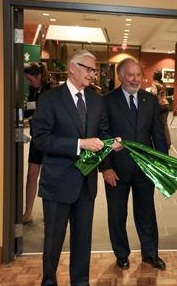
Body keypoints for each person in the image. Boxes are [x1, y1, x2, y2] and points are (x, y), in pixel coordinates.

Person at [31, 50, 123, 286]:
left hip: (85, 183)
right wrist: (80, 144)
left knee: (82, 240)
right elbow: (41, 139)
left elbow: (101, 135)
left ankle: (80, 282)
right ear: (72, 67)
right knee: (53, 240)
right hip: (57, 182)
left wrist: (111, 143)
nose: (93, 74)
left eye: (94, 70)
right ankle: (49, 281)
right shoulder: (50, 98)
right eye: (88, 68)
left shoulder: (96, 99)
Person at [100, 58, 168, 271]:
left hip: (145, 169)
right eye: (131, 75)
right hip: (116, 170)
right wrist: (106, 167)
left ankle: (150, 253)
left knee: (146, 212)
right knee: (117, 214)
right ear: (120, 76)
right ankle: (121, 254)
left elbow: (158, 135)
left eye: (138, 74)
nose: (135, 79)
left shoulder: (150, 99)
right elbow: (102, 136)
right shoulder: (107, 101)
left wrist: (161, 166)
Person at [22, 62, 54, 223]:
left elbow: (51, 116)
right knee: (31, 175)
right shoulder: (33, 90)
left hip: (49, 141)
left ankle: (51, 212)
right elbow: (30, 109)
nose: (29, 82)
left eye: (30, 79)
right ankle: (28, 211)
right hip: (36, 140)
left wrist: (33, 119)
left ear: (39, 76)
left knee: (48, 178)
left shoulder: (52, 91)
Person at [151, 69, 172, 149]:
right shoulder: (163, 84)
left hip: (159, 104)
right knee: (165, 123)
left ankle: (155, 141)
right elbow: (166, 94)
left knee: (154, 123)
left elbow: (153, 94)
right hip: (166, 104)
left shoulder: (154, 84)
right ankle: (168, 142)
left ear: (155, 76)